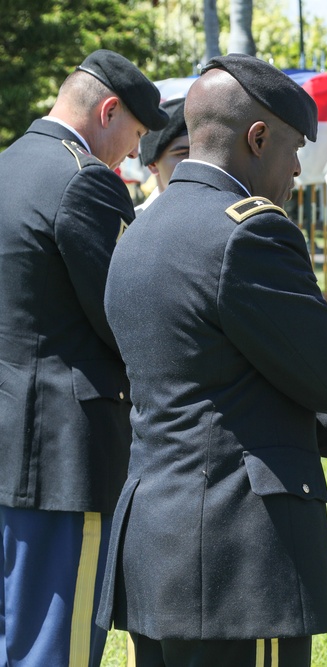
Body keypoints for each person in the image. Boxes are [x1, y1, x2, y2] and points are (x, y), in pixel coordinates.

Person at [95, 54, 327, 666]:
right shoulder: (247, 233)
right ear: (257, 137)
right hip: (235, 554)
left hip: (159, 543)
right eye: (293, 148)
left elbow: (225, 377)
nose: (294, 168)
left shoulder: (140, 233)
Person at [0, 49, 167, 667]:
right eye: (136, 136)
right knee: (55, 651)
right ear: (108, 110)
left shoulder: (8, 166)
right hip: (62, 461)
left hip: (10, 448)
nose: (132, 154)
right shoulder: (84, 180)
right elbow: (125, 319)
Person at [136, 97, 189, 212]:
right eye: (183, 153)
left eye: (200, 151)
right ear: (153, 165)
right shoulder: (134, 224)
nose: (195, 160)